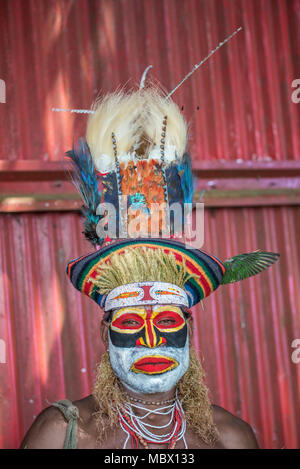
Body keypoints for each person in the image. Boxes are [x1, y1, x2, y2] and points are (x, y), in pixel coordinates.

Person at [20, 89, 278, 449]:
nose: (152, 341)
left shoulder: (231, 438)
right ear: (105, 332)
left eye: (168, 321)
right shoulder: (62, 433)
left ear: (188, 327)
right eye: (129, 322)